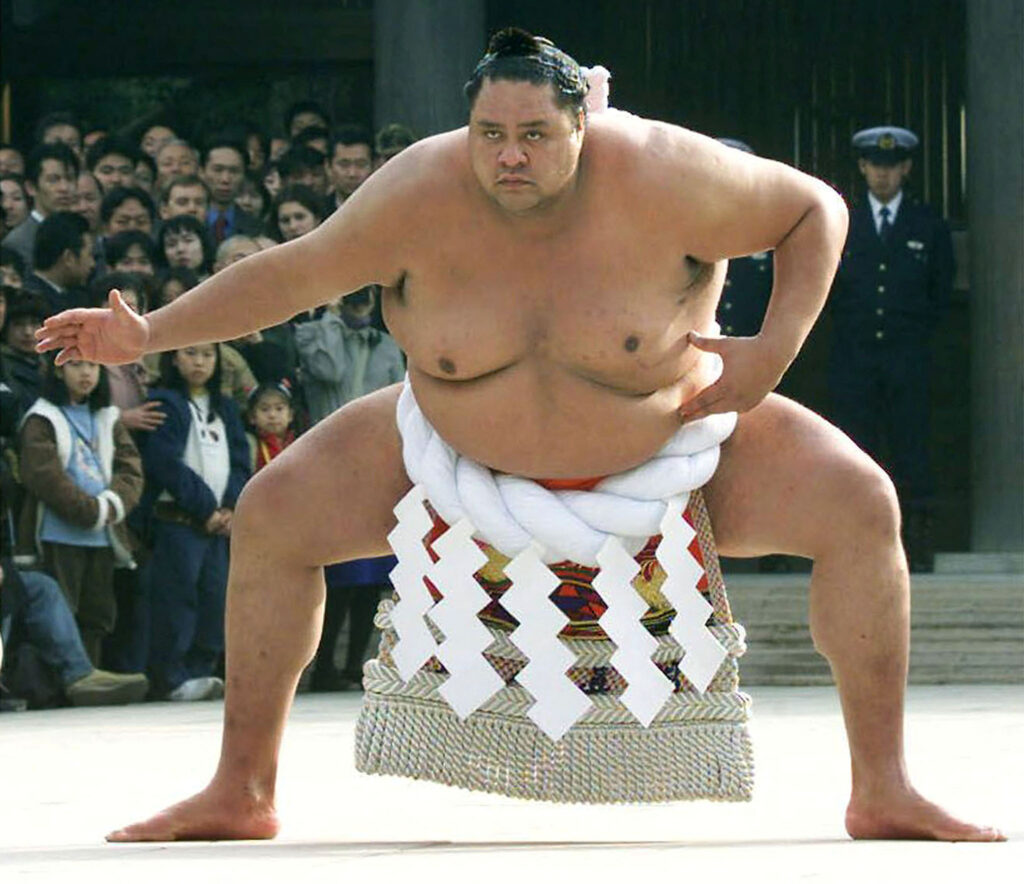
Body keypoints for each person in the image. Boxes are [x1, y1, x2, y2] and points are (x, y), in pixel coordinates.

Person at [37, 28, 1001, 843]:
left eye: (536, 135)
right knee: (276, 511)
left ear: (586, 123)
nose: (509, 156)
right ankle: (242, 789)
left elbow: (812, 211)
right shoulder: (419, 190)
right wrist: (152, 332)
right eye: (491, 134)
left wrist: (772, 352)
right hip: (446, 449)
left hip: (674, 439)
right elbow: (295, 272)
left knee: (861, 503)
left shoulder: (666, 173)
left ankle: (883, 787)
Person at [828, 127, 955, 573]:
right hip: (855, 359)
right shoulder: (846, 222)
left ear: (906, 168)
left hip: (908, 359)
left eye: (892, 165)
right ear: (863, 167)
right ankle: (851, 546)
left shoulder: (928, 225)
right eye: (875, 165)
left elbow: (941, 296)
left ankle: (915, 546)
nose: (883, 174)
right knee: (854, 451)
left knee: (910, 449)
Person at [294, 286, 403, 692]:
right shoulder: (315, 333)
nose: (360, 304)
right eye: (352, 296)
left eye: (365, 298)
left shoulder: (388, 346)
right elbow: (329, 370)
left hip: (378, 465)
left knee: (373, 578)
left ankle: (354, 664)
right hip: (331, 463)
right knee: (337, 575)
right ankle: (321, 667)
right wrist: (331, 317)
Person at [134, 344, 249, 701]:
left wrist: (231, 506)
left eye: (207, 356)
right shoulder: (165, 402)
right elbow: (163, 463)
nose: (200, 362)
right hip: (179, 521)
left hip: (218, 525)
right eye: (190, 354)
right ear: (173, 359)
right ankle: (170, 677)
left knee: (215, 599)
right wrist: (205, 508)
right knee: (176, 600)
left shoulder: (226, 407)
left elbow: (241, 461)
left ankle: (201, 669)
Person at [16, 354, 143, 666]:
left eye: (92, 365)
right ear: (58, 371)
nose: (86, 373)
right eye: (76, 365)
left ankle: (91, 682)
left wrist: (110, 506)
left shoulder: (107, 416)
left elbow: (131, 469)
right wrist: (89, 510)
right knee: (61, 613)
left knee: (98, 614)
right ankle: (61, 685)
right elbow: (42, 474)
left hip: (103, 535)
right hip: (57, 535)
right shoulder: (41, 417)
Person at [2, 142, 79, 271]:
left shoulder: (82, 234)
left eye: (70, 178)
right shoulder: (17, 243)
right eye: (53, 180)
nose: (64, 188)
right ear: (31, 188)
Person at [23, 211, 95, 316]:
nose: (92, 264)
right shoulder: (32, 303)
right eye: (89, 255)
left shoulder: (77, 296)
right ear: (68, 258)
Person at [244, 380, 296, 474]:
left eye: (279, 409)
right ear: (252, 417)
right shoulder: (249, 445)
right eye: (264, 409)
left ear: (290, 415)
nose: (272, 415)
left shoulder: (300, 443)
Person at [325, 125, 373, 211]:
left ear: (375, 166)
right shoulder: (318, 212)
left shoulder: (387, 208)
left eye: (361, 165)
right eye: (344, 165)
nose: (352, 174)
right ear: (328, 167)